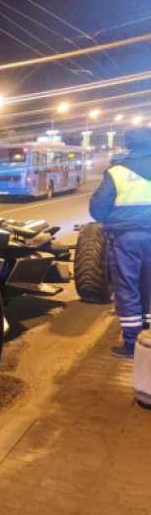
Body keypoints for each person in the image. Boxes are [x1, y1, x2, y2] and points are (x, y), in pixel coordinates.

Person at [90, 126, 151, 359]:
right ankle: (148, 334)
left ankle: (131, 344)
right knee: (149, 286)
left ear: (129, 145)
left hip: (127, 239)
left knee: (127, 288)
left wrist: (113, 221)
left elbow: (98, 208)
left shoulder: (117, 172)